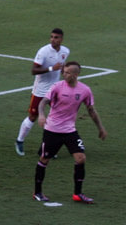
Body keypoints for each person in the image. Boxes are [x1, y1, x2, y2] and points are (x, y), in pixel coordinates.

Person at [33, 61, 107, 204]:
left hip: (69, 130)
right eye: (64, 72)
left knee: (81, 158)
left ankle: (78, 194)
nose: (64, 74)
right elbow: (43, 102)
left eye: (67, 72)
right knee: (44, 160)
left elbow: (91, 110)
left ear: (76, 74)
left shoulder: (85, 90)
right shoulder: (57, 87)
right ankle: (37, 192)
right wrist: (41, 115)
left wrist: (100, 128)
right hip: (52, 130)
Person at [15, 28, 69, 156]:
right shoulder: (43, 51)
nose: (53, 39)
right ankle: (19, 141)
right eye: (51, 37)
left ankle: (49, 148)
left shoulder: (65, 51)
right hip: (40, 90)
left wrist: (65, 72)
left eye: (56, 37)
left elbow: (62, 66)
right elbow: (34, 70)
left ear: (61, 39)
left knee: (57, 118)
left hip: (55, 89)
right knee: (33, 117)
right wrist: (51, 68)